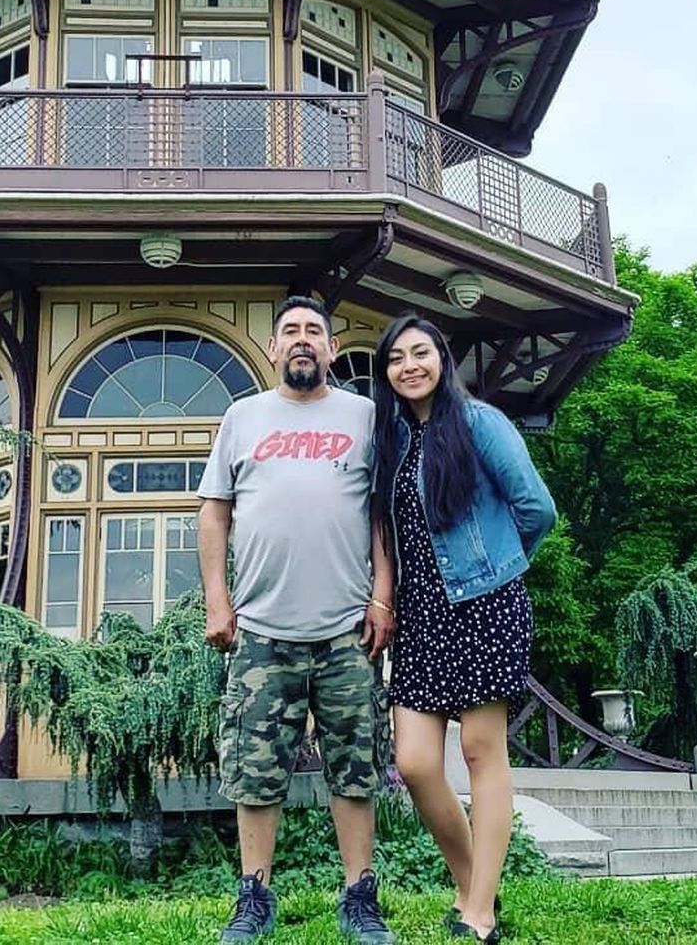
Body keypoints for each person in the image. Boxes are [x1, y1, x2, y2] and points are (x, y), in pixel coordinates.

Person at [197, 295, 398, 944]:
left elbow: (381, 517)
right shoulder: (242, 416)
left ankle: (359, 896)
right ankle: (254, 895)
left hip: (348, 629)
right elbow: (214, 513)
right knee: (256, 771)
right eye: (291, 331)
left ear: (332, 349)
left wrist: (383, 597)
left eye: (315, 331)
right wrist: (217, 600)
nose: (303, 339)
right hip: (260, 629)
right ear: (274, 348)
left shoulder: (365, 416)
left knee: (356, 766)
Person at [370, 313, 555, 945]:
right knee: (416, 764)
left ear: (442, 360)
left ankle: (475, 913)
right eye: (396, 358)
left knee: (481, 754)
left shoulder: (479, 423)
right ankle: (479, 880)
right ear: (386, 373)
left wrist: (498, 566)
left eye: (420, 353)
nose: (409, 366)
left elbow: (536, 507)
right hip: (421, 616)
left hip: (485, 606)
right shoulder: (393, 439)